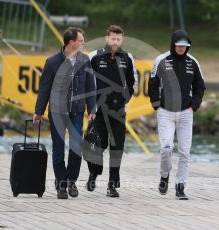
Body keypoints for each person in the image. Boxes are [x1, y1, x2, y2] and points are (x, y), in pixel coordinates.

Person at [33, 27, 96, 199]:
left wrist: (92, 110)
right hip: (57, 112)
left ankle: (71, 181)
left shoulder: (85, 60)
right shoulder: (52, 62)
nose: (83, 43)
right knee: (58, 149)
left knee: (76, 147)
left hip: (77, 111)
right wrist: (38, 112)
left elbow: (90, 86)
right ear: (71, 42)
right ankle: (61, 184)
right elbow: (44, 89)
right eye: (81, 40)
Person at [148, 29, 205, 200]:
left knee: (185, 152)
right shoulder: (161, 60)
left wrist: (193, 106)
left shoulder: (193, 62)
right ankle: (164, 176)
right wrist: (156, 104)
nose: (181, 49)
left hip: (186, 113)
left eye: (185, 46)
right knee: (166, 148)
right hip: (165, 112)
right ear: (173, 44)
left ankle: (180, 186)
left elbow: (200, 87)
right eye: (179, 46)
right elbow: (152, 83)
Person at [86, 25, 137, 197]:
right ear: (107, 38)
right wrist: (90, 105)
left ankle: (112, 185)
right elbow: (86, 81)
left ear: (122, 39)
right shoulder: (94, 56)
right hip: (98, 110)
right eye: (113, 38)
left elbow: (132, 82)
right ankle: (93, 173)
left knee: (117, 148)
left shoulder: (127, 58)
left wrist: (125, 99)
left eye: (119, 39)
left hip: (118, 111)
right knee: (96, 146)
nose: (115, 42)